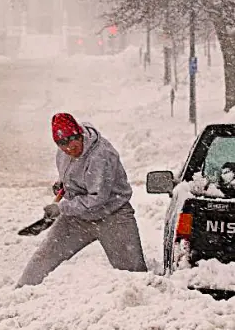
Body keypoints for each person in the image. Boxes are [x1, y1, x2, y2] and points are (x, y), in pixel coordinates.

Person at [17, 112, 147, 287]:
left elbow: (96, 199)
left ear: (79, 134)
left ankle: (143, 308)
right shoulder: (63, 152)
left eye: (73, 144)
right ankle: (19, 296)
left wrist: (61, 209)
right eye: (63, 146)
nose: (69, 150)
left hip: (113, 218)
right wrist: (63, 185)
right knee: (44, 257)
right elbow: (71, 174)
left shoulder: (101, 155)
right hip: (78, 218)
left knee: (135, 277)